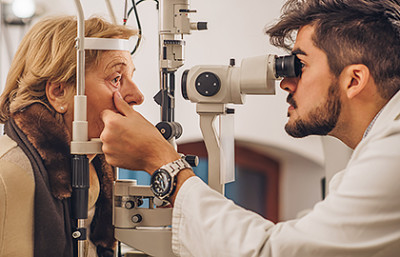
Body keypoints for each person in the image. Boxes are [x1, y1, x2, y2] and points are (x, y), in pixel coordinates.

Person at [100, 0, 400, 256]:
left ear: (354, 80)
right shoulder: (377, 148)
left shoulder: (392, 156)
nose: (285, 81)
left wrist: (163, 163)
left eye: (299, 65)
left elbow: (272, 252)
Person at [0, 16, 144, 257]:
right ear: (59, 92)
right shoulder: (8, 176)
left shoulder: (96, 168)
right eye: (116, 79)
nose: (137, 95)